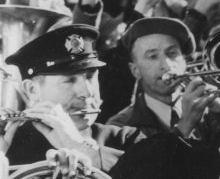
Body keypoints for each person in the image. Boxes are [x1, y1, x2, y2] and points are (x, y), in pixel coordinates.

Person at [4, 24, 143, 170]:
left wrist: (82, 148)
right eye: (69, 80)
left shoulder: (128, 138)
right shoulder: (10, 147)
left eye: (90, 77)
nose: (87, 93)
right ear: (32, 90)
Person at [107, 17, 220, 143]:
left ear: (184, 62)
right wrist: (186, 125)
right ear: (135, 70)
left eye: (172, 53)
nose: (167, 65)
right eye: (152, 56)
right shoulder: (119, 127)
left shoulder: (206, 110)